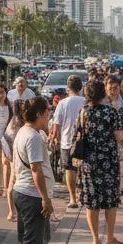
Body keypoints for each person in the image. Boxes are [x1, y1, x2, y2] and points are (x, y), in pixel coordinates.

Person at [75, 79, 123, 244]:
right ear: (103, 93)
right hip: (108, 161)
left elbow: (78, 134)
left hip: (89, 162)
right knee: (110, 199)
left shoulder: (83, 113)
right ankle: (110, 236)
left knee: (92, 201)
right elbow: (120, 136)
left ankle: (95, 240)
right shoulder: (112, 112)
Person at [11, 96, 55, 244]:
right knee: (30, 241)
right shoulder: (33, 137)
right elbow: (36, 170)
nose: (49, 115)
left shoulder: (24, 132)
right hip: (31, 194)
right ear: (38, 114)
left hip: (21, 191)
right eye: (47, 111)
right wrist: (45, 198)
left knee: (23, 238)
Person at [51, 75, 86, 209]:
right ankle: (82, 194)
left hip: (67, 141)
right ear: (80, 88)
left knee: (70, 170)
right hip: (83, 141)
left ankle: (73, 198)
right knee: (83, 169)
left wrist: (54, 138)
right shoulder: (85, 101)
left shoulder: (62, 103)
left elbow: (56, 124)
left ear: (68, 88)